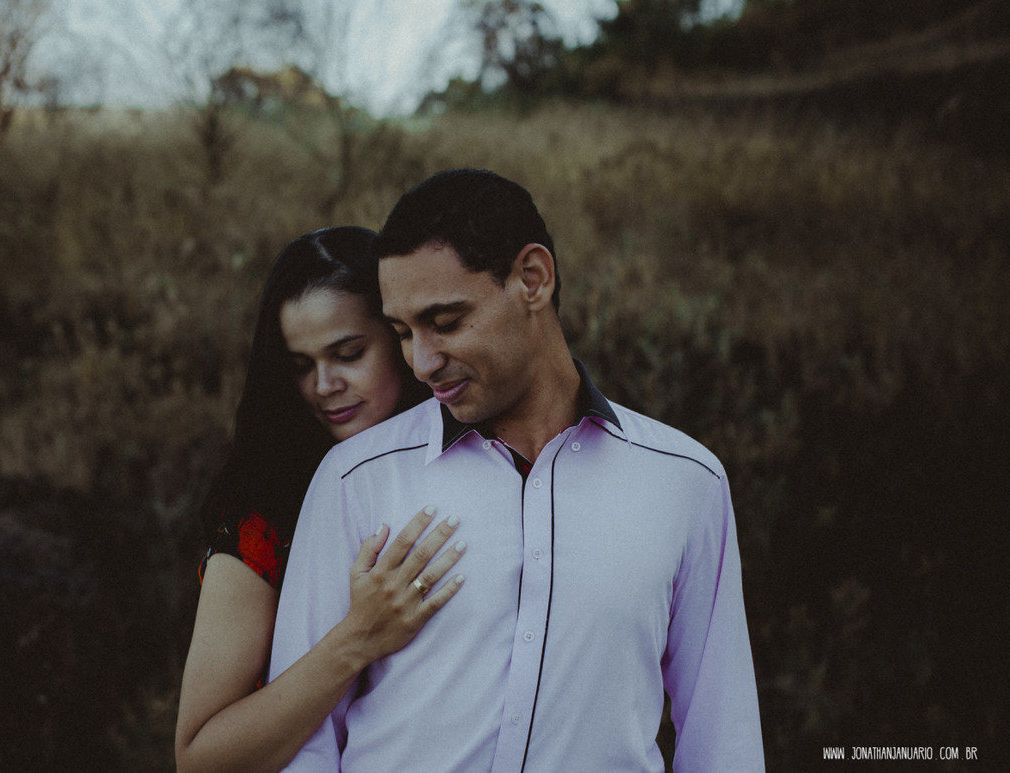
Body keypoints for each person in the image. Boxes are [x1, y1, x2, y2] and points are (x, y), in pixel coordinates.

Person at [269, 170, 765, 771]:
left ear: (532, 278)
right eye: (402, 332)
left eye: (446, 322)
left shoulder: (686, 482)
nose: (422, 362)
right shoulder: (357, 479)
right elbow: (306, 749)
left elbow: (723, 738)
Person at [174, 226, 467, 773]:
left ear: (404, 340)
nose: (324, 384)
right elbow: (200, 756)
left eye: (348, 354)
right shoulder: (266, 514)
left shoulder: (475, 462)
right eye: (301, 365)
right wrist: (356, 640)